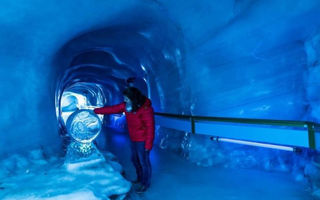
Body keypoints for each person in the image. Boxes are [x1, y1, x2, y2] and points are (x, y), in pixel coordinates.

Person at [94, 87, 155, 193]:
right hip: (133, 138)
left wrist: (148, 145)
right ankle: (139, 178)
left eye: (126, 97)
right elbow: (112, 109)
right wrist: (95, 111)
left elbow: (150, 127)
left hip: (143, 140)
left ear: (133, 98)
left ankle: (145, 184)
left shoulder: (145, 109)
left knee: (144, 162)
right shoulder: (127, 106)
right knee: (134, 159)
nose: (124, 99)